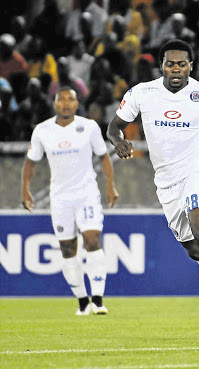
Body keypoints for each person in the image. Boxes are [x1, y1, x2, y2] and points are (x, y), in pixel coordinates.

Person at [106, 39, 199, 332]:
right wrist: (118, 140)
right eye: (170, 63)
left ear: (191, 65)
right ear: (162, 65)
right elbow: (113, 126)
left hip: (196, 170)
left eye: (182, 63)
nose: (176, 69)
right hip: (166, 182)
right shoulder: (142, 93)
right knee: (193, 249)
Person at [21, 86, 119, 316]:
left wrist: (110, 185)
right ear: (54, 103)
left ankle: (97, 299)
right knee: (67, 248)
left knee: (93, 239)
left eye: (70, 99)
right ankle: (82, 300)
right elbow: (31, 162)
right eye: (61, 99)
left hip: (86, 194)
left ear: (77, 104)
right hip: (60, 197)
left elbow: (104, 157)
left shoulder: (89, 127)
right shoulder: (42, 130)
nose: (66, 103)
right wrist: (25, 190)